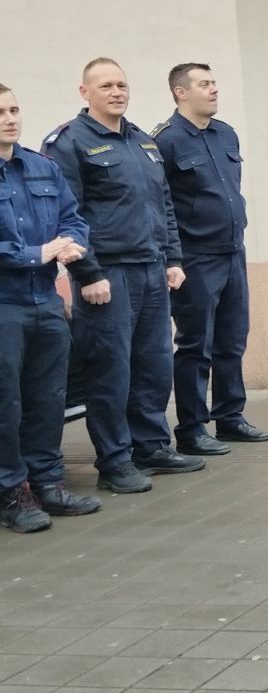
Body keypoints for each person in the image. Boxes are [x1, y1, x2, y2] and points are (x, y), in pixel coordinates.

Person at [44, 59, 203, 495]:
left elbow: (163, 203)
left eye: (122, 85)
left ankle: (150, 446)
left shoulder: (142, 141)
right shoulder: (69, 143)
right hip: (107, 275)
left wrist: (173, 258)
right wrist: (87, 272)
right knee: (110, 371)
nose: (117, 92)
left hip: (152, 269)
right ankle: (114, 460)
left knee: (153, 365)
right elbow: (65, 215)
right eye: (106, 86)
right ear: (85, 92)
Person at [154, 63, 268, 456]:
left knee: (232, 339)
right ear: (180, 92)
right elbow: (162, 205)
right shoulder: (165, 141)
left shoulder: (225, 134)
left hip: (233, 250)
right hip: (195, 258)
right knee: (195, 345)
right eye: (204, 84)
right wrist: (172, 259)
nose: (214, 90)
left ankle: (230, 417)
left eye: (214, 83)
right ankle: (192, 428)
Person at [0, 83, 101, 532]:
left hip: (45, 302)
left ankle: (46, 483)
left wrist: (72, 243)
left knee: (48, 399)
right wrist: (35, 253)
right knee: (6, 404)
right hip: (5, 305)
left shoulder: (41, 167)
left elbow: (72, 216)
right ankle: (12, 492)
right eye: (0, 112)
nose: (10, 119)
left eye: (14, 109)